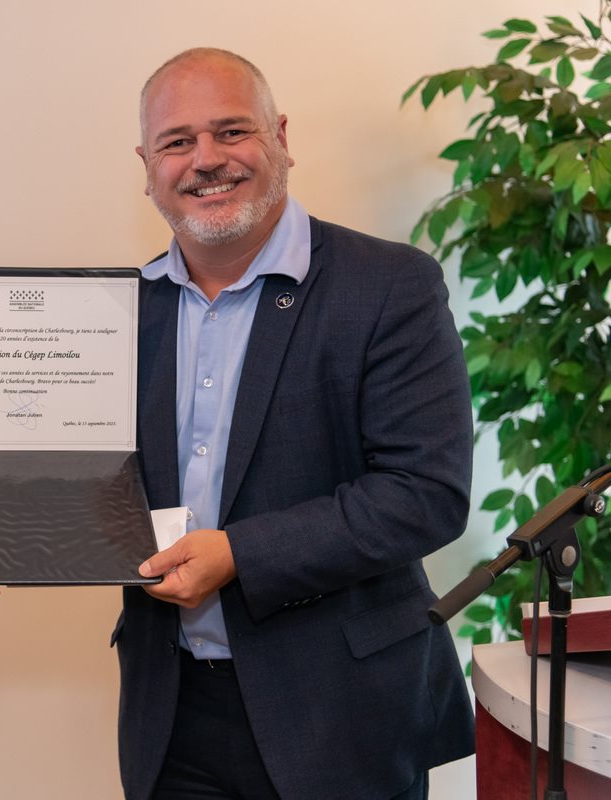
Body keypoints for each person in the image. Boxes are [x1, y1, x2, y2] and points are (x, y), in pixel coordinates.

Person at [111, 49, 476, 799]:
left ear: (280, 136)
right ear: (147, 165)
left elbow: (425, 492)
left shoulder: (391, 285)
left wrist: (239, 553)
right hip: (171, 715)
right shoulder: (119, 314)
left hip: (343, 712)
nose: (205, 160)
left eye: (231, 131)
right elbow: (68, 474)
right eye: (178, 142)